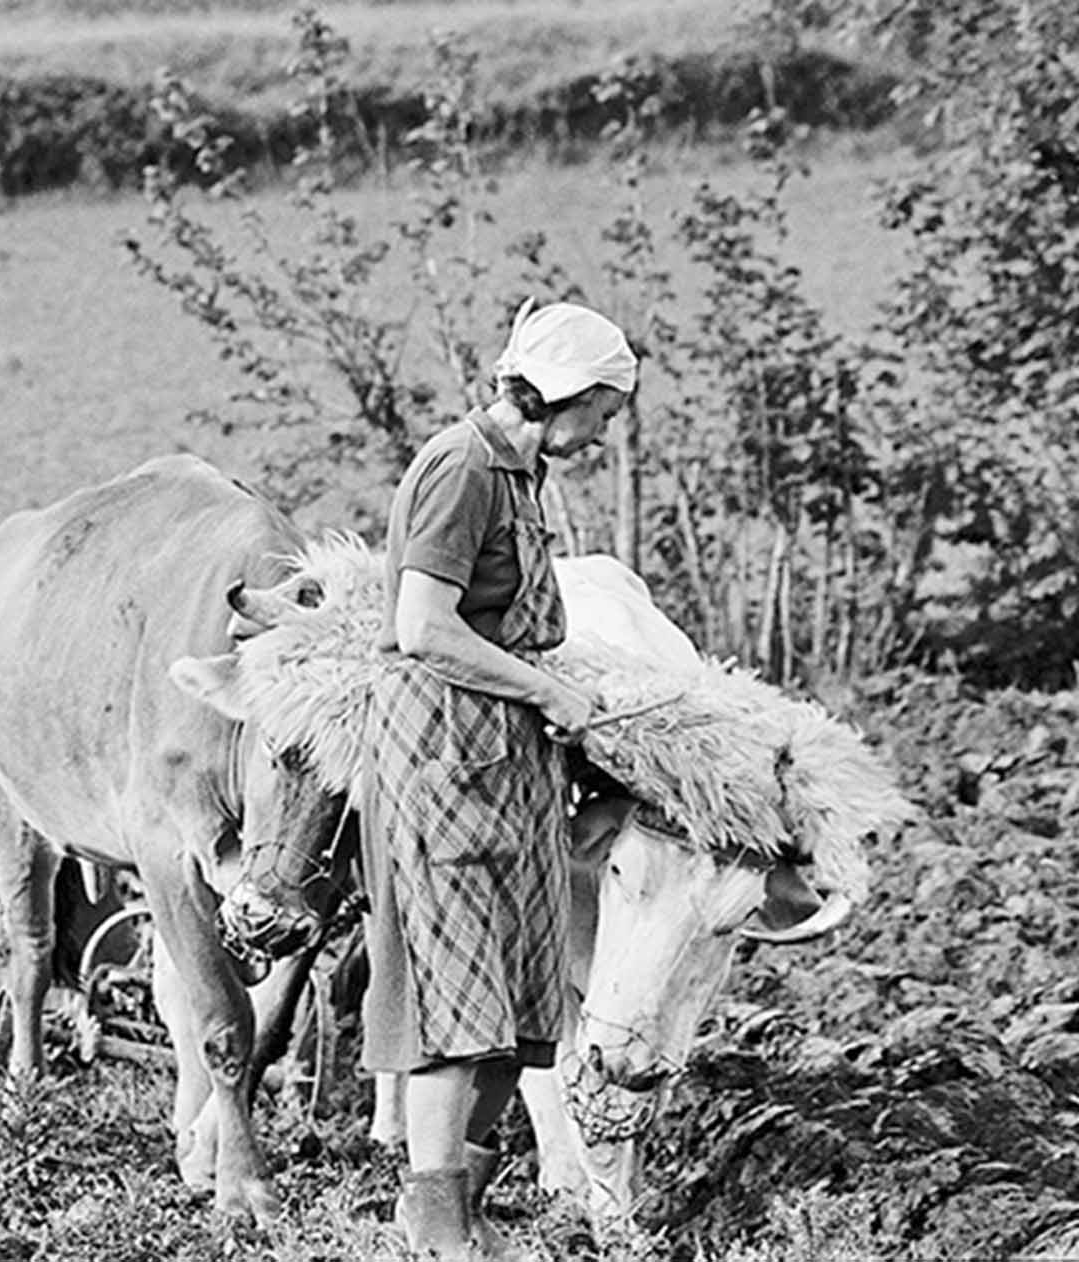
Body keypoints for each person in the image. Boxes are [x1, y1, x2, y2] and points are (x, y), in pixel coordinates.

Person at [363, 299, 637, 1258]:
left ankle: (465, 1209)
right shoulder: (463, 468)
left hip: (508, 759)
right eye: (599, 412)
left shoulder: (521, 475)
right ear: (558, 395)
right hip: (445, 762)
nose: (602, 433)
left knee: (521, 1002)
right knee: (457, 1005)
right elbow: (421, 628)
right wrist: (544, 691)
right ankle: (435, 1224)